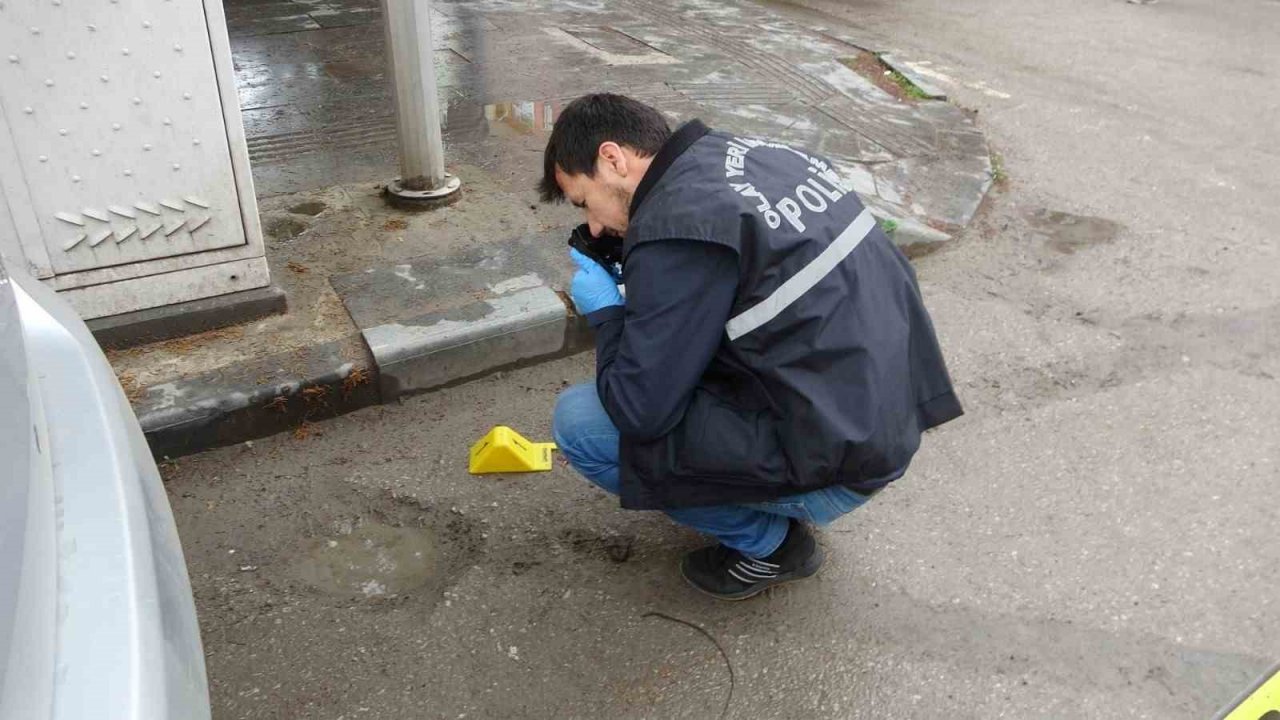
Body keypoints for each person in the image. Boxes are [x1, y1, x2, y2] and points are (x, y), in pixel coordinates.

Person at [541, 94, 963, 601]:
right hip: (887, 411)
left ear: (613, 159)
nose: (593, 225)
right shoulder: (759, 156)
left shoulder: (675, 229)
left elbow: (638, 410)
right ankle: (776, 492)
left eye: (586, 201)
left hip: (842, 459)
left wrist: (608, 316)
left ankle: (772, 545)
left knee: (583, 422)